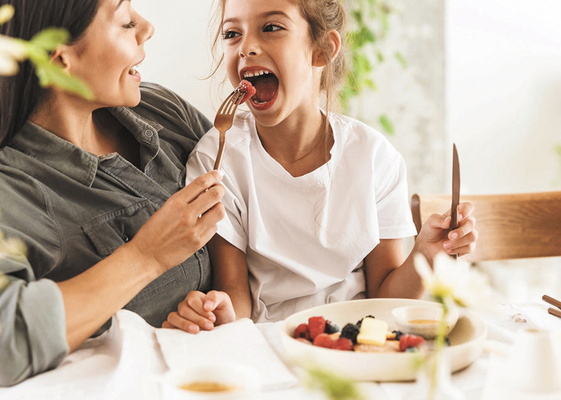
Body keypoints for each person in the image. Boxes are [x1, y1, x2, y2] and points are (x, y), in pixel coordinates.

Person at [163, 0, 478, 331]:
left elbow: (386, 296)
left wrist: (426, 253)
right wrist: (222, 312)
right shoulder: (218, 159)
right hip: (273, 345)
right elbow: (235, 293)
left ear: (322, 50)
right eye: (231, 33)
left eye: (271, 27)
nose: (247, 47)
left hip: (358, 341)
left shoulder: (374, 158)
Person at [0, 0, 226, 386]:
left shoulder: (164, 111)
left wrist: (228, 301)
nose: (147, 27)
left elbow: (245, 218)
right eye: (125, 21)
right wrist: (144, 257)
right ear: (59, 61)